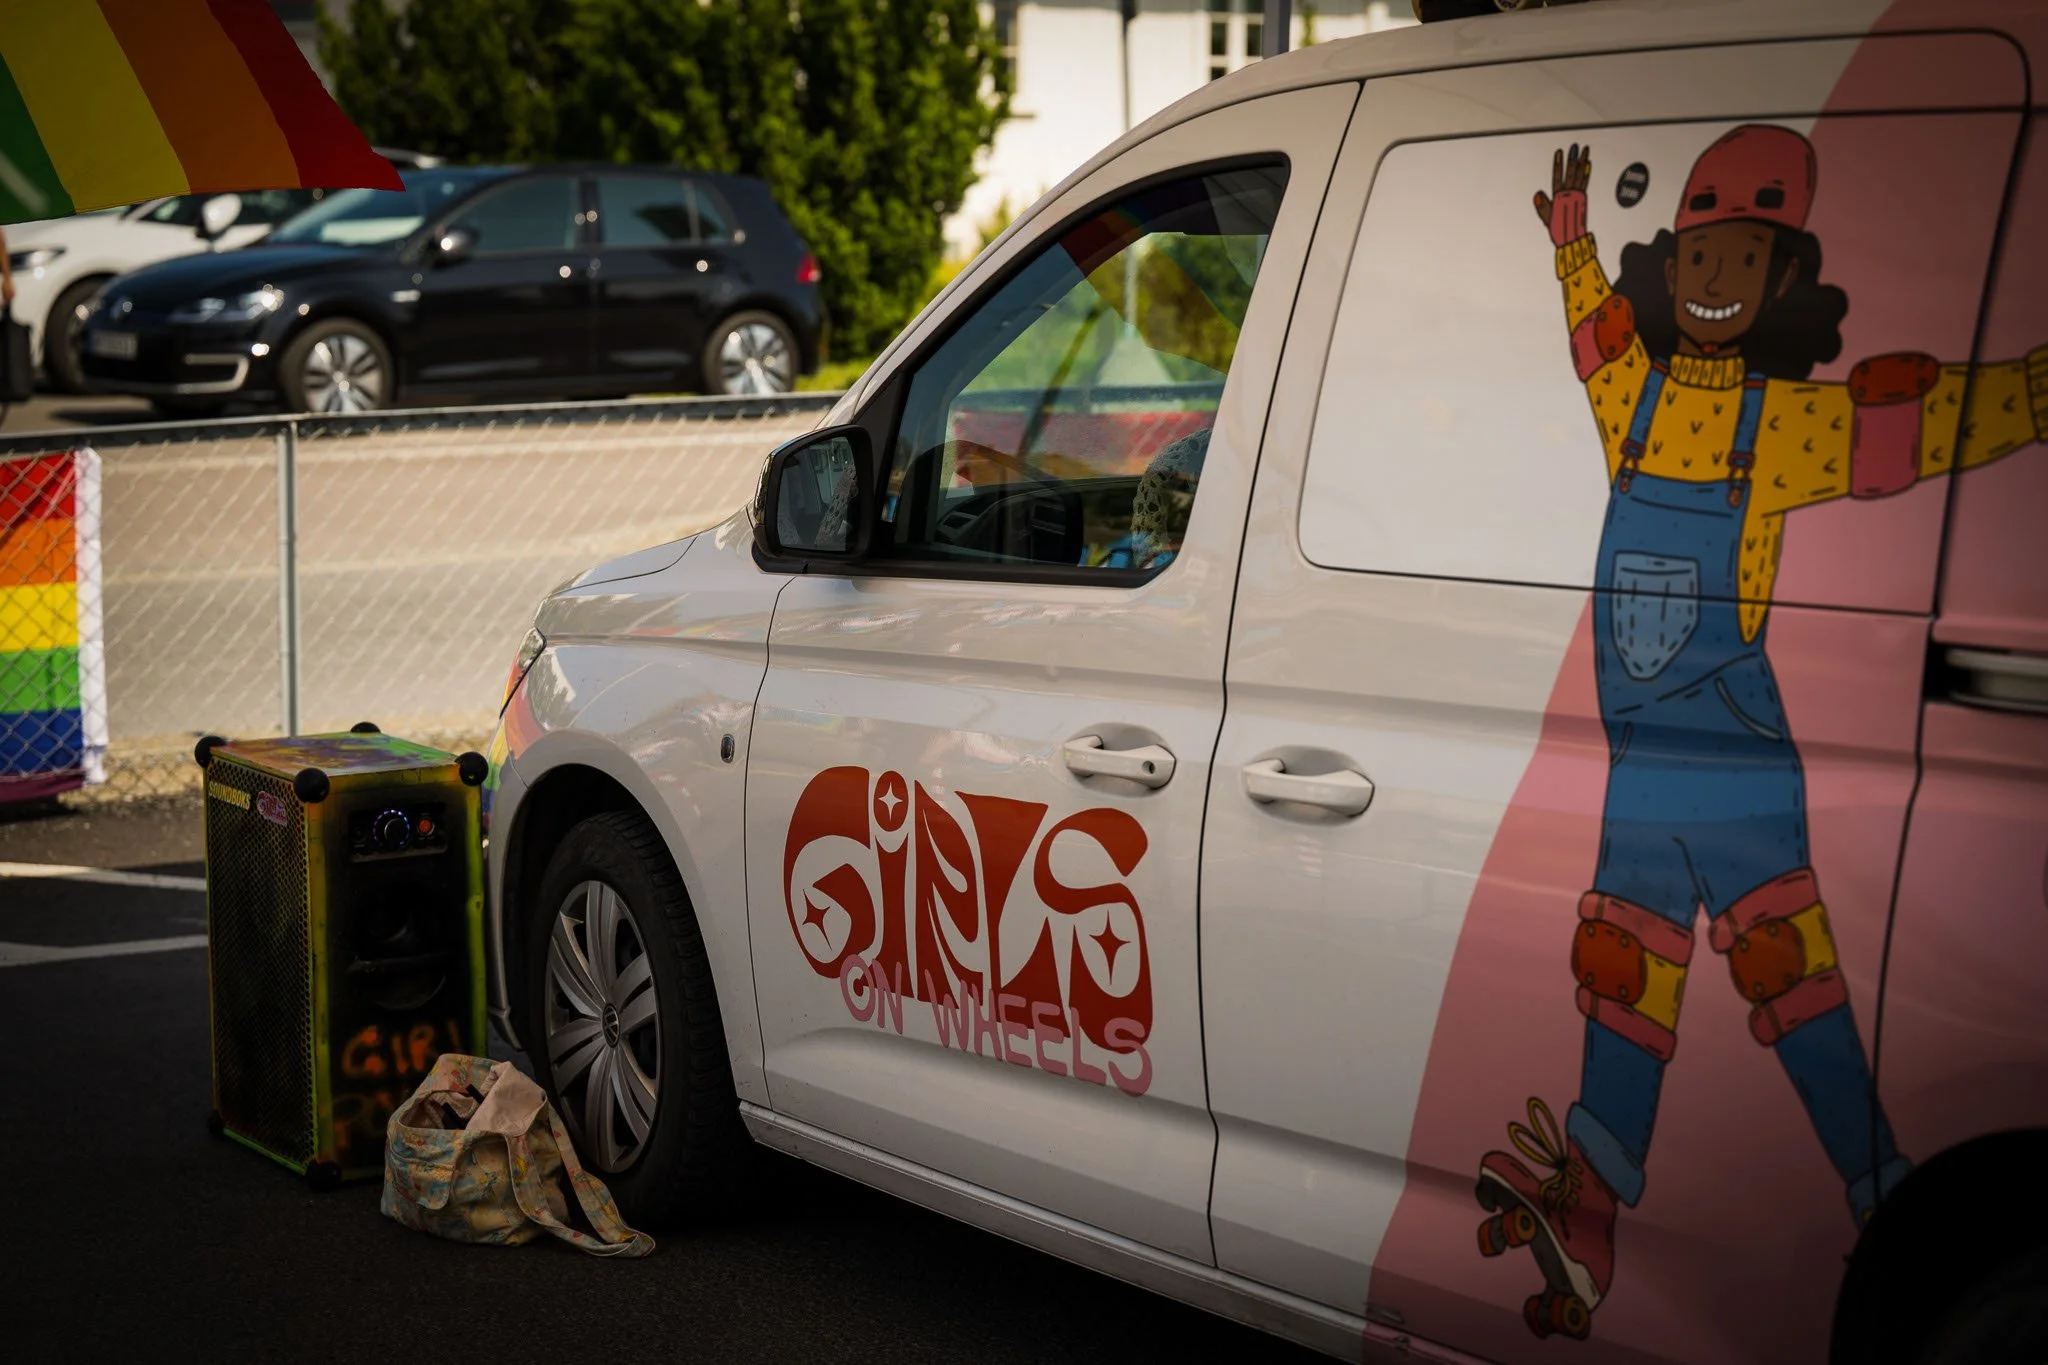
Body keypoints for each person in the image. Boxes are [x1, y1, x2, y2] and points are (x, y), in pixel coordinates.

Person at [1473, 127, 2048, 1342]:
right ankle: (1589, 1232)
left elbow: (1920, 427)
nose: (1714, 272)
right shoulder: (1629, 405)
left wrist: (2034, 392)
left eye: (1745, 251)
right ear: (1671, 264)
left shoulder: (1779, 430)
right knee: (1618, 984)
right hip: (1637, 782)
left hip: (1736, 771)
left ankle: (1879, 1193)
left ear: (1783, 277)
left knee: (1796, 991)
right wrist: (1572, 248)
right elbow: (1593, 349)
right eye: (1697, 251)